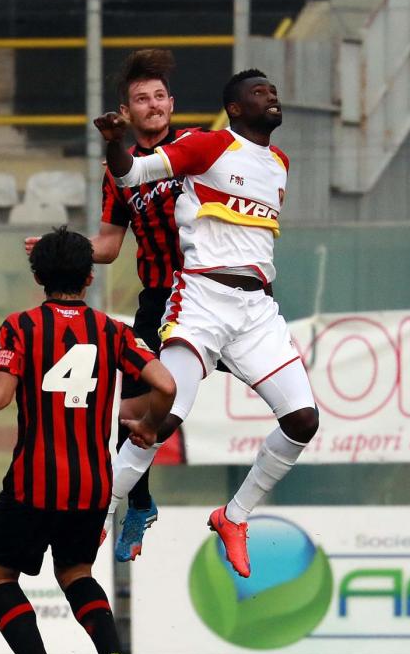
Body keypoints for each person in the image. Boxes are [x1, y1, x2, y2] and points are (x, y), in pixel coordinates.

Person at [0, 227, 174, 654]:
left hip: (34, 481)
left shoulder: (21, 326)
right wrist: (150, 427)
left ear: (38, 277)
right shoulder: (113, 331)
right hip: (92, 484)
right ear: (90, 277)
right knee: (76, 573)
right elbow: (166, 383)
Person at [101, 69, 321, 578]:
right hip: (201, 298)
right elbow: (130, 175)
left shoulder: (280, 164)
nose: (272, 95)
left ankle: (234, 517)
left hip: (256, 310)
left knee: (303, 421)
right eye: (259, 91)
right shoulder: (208, 145)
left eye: (273, 89)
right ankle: (99, 514)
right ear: (235, 108)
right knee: (163, 418)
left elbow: (252, 241)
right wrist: (115, 143)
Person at [26, 49, 186, 560]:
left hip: (211, 295)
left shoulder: (196, 149)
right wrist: (63, 248)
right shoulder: (120, 171)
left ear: (172, 104)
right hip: (159, 301)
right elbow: (110, 246)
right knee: (127, 412)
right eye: (142, 98)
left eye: (160, 96)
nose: (153, 104)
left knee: (276, 395)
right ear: (126, 111)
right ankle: (137, 503)